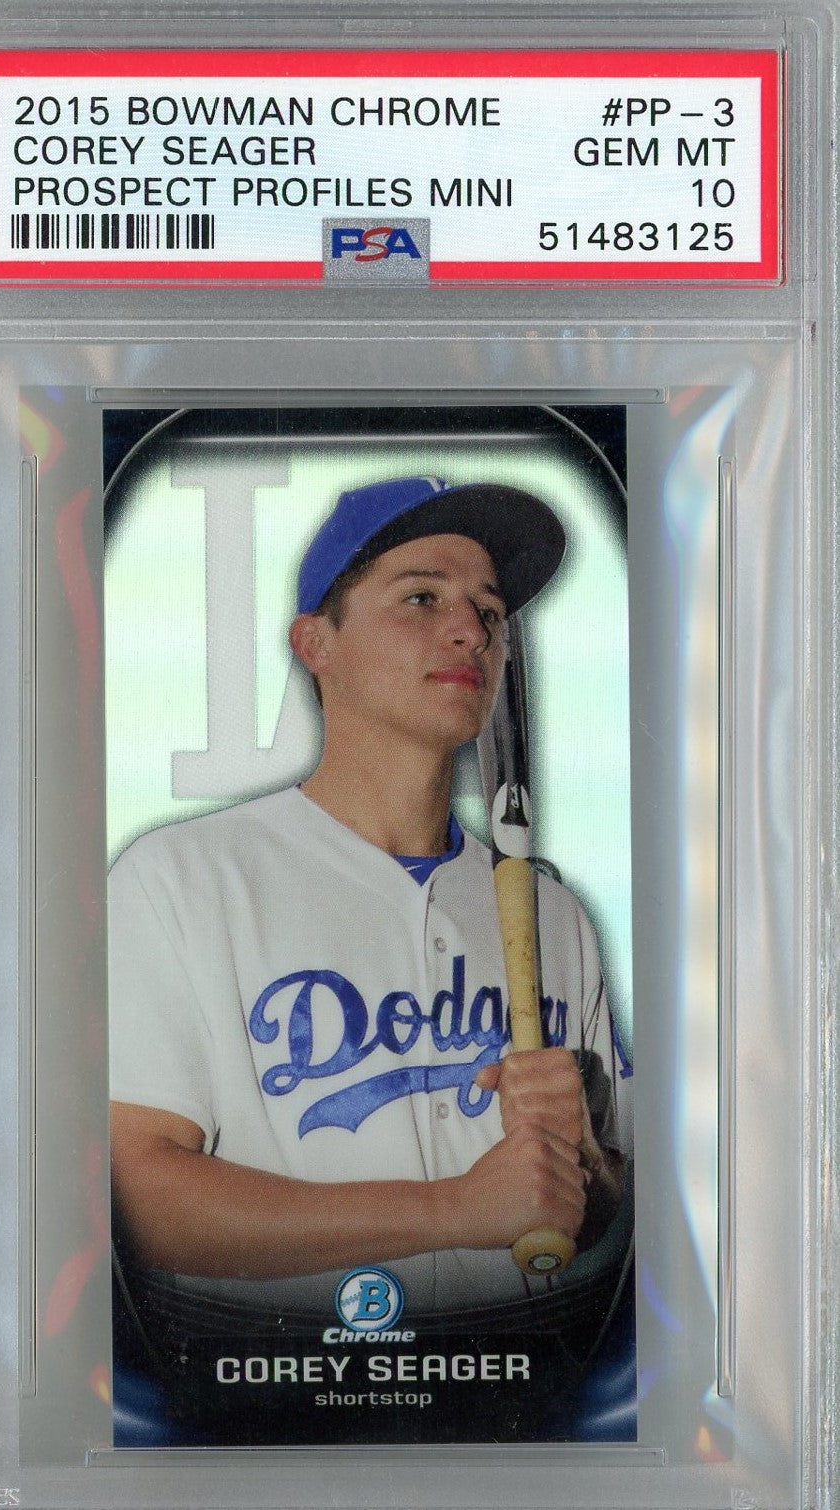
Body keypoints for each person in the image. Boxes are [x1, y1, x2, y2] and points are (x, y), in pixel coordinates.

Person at [109, 476, 630, 1315]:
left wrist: (583, 1162)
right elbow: (131, 1198)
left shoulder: (552, 916)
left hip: (514, 1379)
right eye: (422, 598)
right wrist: (455, 1209)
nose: (470, 631)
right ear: (316, 643)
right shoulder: (182, 877)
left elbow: (601, 1206)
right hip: (268, 1378)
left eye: (489, 612)